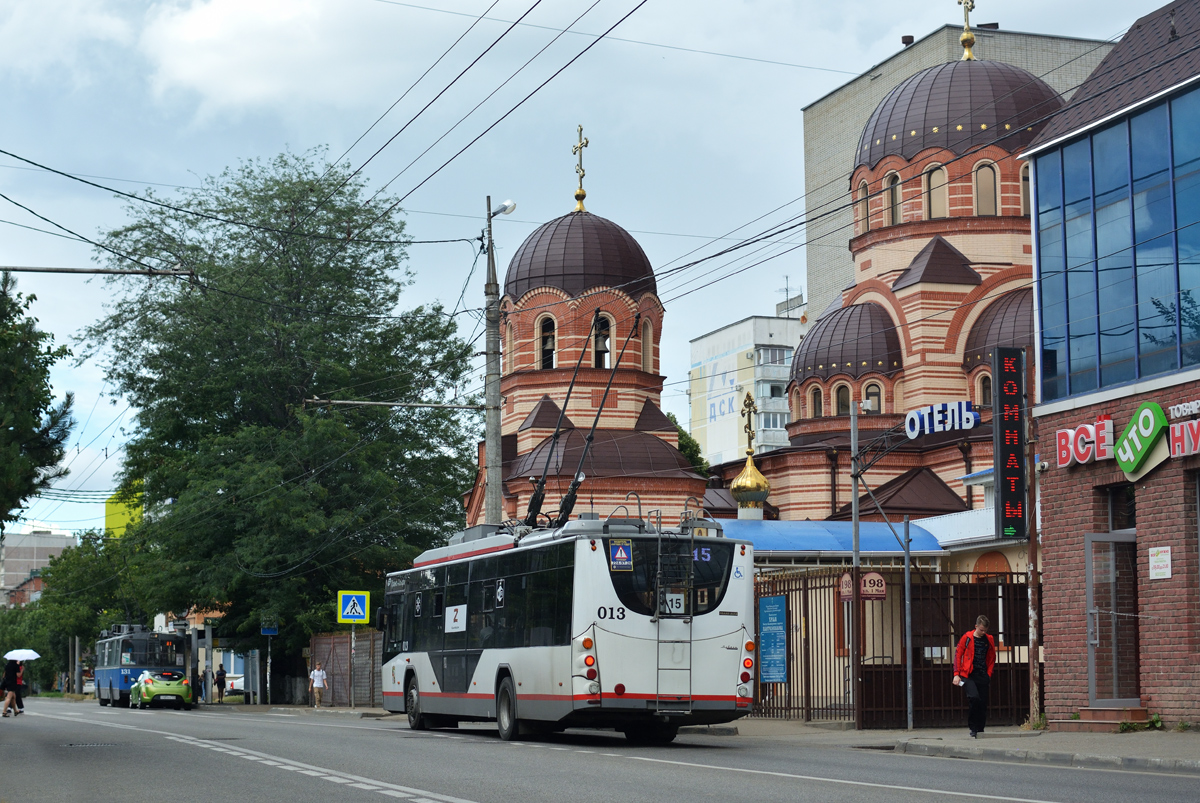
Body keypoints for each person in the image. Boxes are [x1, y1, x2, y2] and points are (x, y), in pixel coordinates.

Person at [953, 614, 997, 738]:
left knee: (982, 703)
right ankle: (973, 727)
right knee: (974, 697)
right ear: (976, 626)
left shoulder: (989, 639)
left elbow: (992, 657)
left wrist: (989, 673)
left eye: (985, 630)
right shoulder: (967, 638)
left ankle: (980, 729)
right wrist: (956, 674)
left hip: (982, 675)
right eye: (981, 630)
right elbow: (958, 655)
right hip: (968, 674)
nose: (983, 632)